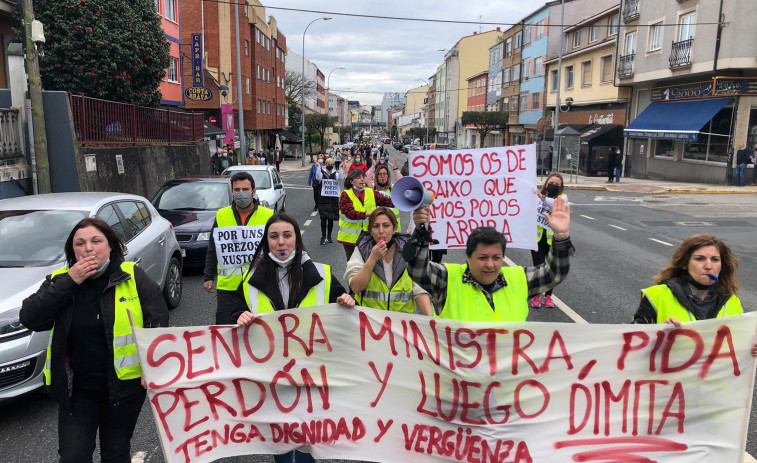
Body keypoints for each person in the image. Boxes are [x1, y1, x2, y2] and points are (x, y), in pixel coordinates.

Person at [20, 218, 169, 463]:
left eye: (96, 241)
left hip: (124, 390)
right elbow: (31, 318)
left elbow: (159, 319)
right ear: (73, 251)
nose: (88, 248)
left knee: (115, 452)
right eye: (80, 243)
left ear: (110, 246)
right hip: (76, 392)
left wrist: (152, 366)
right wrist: (71, 280)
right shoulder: (61, 280)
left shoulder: (131, 276)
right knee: (73, 456)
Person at [230, 213, 355, 463]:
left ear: (297, 239)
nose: (281, 242)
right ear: (267, 242)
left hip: (310, 374)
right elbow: (230, 313)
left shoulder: (323, 274)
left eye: (287, 235)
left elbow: (344, 307)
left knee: (307, 439)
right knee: (281, 439)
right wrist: (238, 316)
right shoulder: (249, 279)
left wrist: (347, 301)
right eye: (274, 237)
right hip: (272, 375)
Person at [407, 197, 573, 321]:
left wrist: (561, 236)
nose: (490, 264)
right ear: (468, 257)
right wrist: (421, 232)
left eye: (496, 257)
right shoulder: (447, 279)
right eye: (482, 257)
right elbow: (419, 271)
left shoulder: (519, 280)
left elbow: (554, 273)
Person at [632, 234, 757, 358]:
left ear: (721, 265)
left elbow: (740, 344)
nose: (708, 266)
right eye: (699, 259)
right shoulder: (657, 296)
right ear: (684, 264)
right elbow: (630, 346)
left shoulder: (732, 301)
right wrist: (659, 337)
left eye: (715, 259)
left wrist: (751, 348)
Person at [204, 172, 274, 324]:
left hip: (259, 284)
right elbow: (213, 246)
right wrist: (208, 276)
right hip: (228, 287)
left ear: (254, 192)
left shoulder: (268, 215)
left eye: (245, 189)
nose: (241, 193)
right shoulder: (221, 215)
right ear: (232, 192)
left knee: (258, 329)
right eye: (237, 190)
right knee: (225, 330)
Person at [346, 208, 432, 316]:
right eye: (376, 226)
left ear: (394, 228)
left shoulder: (409, 251)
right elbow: (355, 287)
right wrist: (372, 258)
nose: (381, 231)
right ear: (370, 230)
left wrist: (431, 320)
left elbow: (419, 289)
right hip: (371, 323)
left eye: (386, 226)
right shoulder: (362, 250)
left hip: (402, 325)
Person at [338, 169, 395, 260]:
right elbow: (350, 213)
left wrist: (403, 200)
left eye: (363, 177)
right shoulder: (345, 195)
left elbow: (387, 201)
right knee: (354, 264)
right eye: (358, 178)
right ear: (351, 181)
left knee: (371, 263)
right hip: (350, 239)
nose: (362, 180)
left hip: (369, 237)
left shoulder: (370, 192)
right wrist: (369, 214)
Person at [531, 173, 567, 308]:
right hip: (537, 239)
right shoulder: (536, 196)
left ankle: (548, 297)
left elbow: (559, 206)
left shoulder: (562, 198)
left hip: (554, 240)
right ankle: (536, 295)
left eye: (557, 185)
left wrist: (543, 198)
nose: (554, 186)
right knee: (539, 268)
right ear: (546, 183)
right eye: (551, 183)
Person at [316, 157, 342, 245]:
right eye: (328, 165)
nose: (329, 166)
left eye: (331, 165)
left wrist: (340, 168)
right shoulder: (322, 171)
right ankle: (323, 236)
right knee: (323, 218)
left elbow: (340, 178)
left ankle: (329, 236)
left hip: (333, 200)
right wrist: (319, 167)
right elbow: (318, 178)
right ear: (325, 165)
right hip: (323, 199)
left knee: (331, 218)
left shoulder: (336, 173)